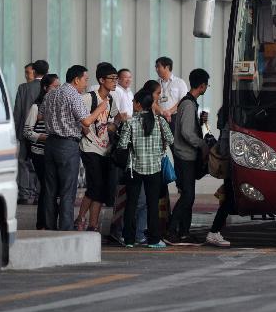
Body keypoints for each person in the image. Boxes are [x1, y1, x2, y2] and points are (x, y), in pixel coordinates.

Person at [40, 65, 108, 231]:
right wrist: (100, 108)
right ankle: (65, 228)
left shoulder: (51, 94)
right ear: (76, 79)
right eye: (85, 80)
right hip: (67, 145)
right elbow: (86, 121)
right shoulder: (74, 95)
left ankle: (49, 226)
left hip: (49, 144)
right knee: (67, 190)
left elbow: (40, 115)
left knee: (49, 190)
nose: (86, 84)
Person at [117, 88, 174, 249]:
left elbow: (122, 145)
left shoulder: (130, 122)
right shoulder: (160, 121)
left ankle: (128, 239)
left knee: (131, 204)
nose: (133, 104)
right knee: (152, 204)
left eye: (134, 102)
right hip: (154, 169)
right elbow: (171, 139)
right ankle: (154, 240)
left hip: (134, 169)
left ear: (139, 104)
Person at [166, 68, 210, 246]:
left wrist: (202, 124)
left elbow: (189, 128)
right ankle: (171, 231)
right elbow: (185, 132)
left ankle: (184, 233)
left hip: (187, 156)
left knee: (188, 196)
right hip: (185, 157)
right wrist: (202, 144)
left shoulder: (190, 104)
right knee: (187, 196)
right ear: (202, 85)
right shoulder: (188, 104)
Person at [75, 63, 120, 232]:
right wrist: (87, 132)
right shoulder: (89, 98)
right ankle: (81, 218)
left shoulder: (111, 100)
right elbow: (79, 119)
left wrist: (113, 126)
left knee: (99, 189)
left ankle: (92, 224)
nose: (115, 82)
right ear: (101, 80)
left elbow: (115, 119)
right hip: (89, 148)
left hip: (105, 149)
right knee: (96, 186)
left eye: (116, 78)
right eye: (112, 78)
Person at [23, 74, 60, 229]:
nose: (58, 90)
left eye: (59, 86)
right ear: (45, 88)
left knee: (51, 188)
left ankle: (48, 222)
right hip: (40, 153)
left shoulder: (58, 106)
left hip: (54, 152)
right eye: (55, 87)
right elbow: (27, 131)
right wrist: (43, 137)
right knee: (46, 187)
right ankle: (43, 223)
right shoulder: (36, 107)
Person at [13, 59, 49, 204]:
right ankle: (39, 193)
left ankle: (25, 194)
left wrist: (16, 133)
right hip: (43, 132)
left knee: (22, 161)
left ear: (34, 71)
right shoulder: (49, 87)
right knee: (40, 161)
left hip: (25, 131)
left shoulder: (23, 88)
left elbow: (18, 112)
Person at [205, 107, 232, 248]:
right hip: (233, 168)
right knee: (229, 200)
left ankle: (215, 231)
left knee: (228, 200)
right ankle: (214, 231)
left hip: (230, 168)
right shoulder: (230, 126)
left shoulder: (225, 127)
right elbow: (223, 148)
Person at [155, 57, 189, 121]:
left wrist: (170, 112)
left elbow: (183, 100)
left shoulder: (179, 82)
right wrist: (163, 112)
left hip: (175, 117)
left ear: (167, 67)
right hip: (159, 117)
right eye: (156, 67)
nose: (156, 69)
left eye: (158, 67)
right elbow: (153, 101)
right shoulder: (156, 84)